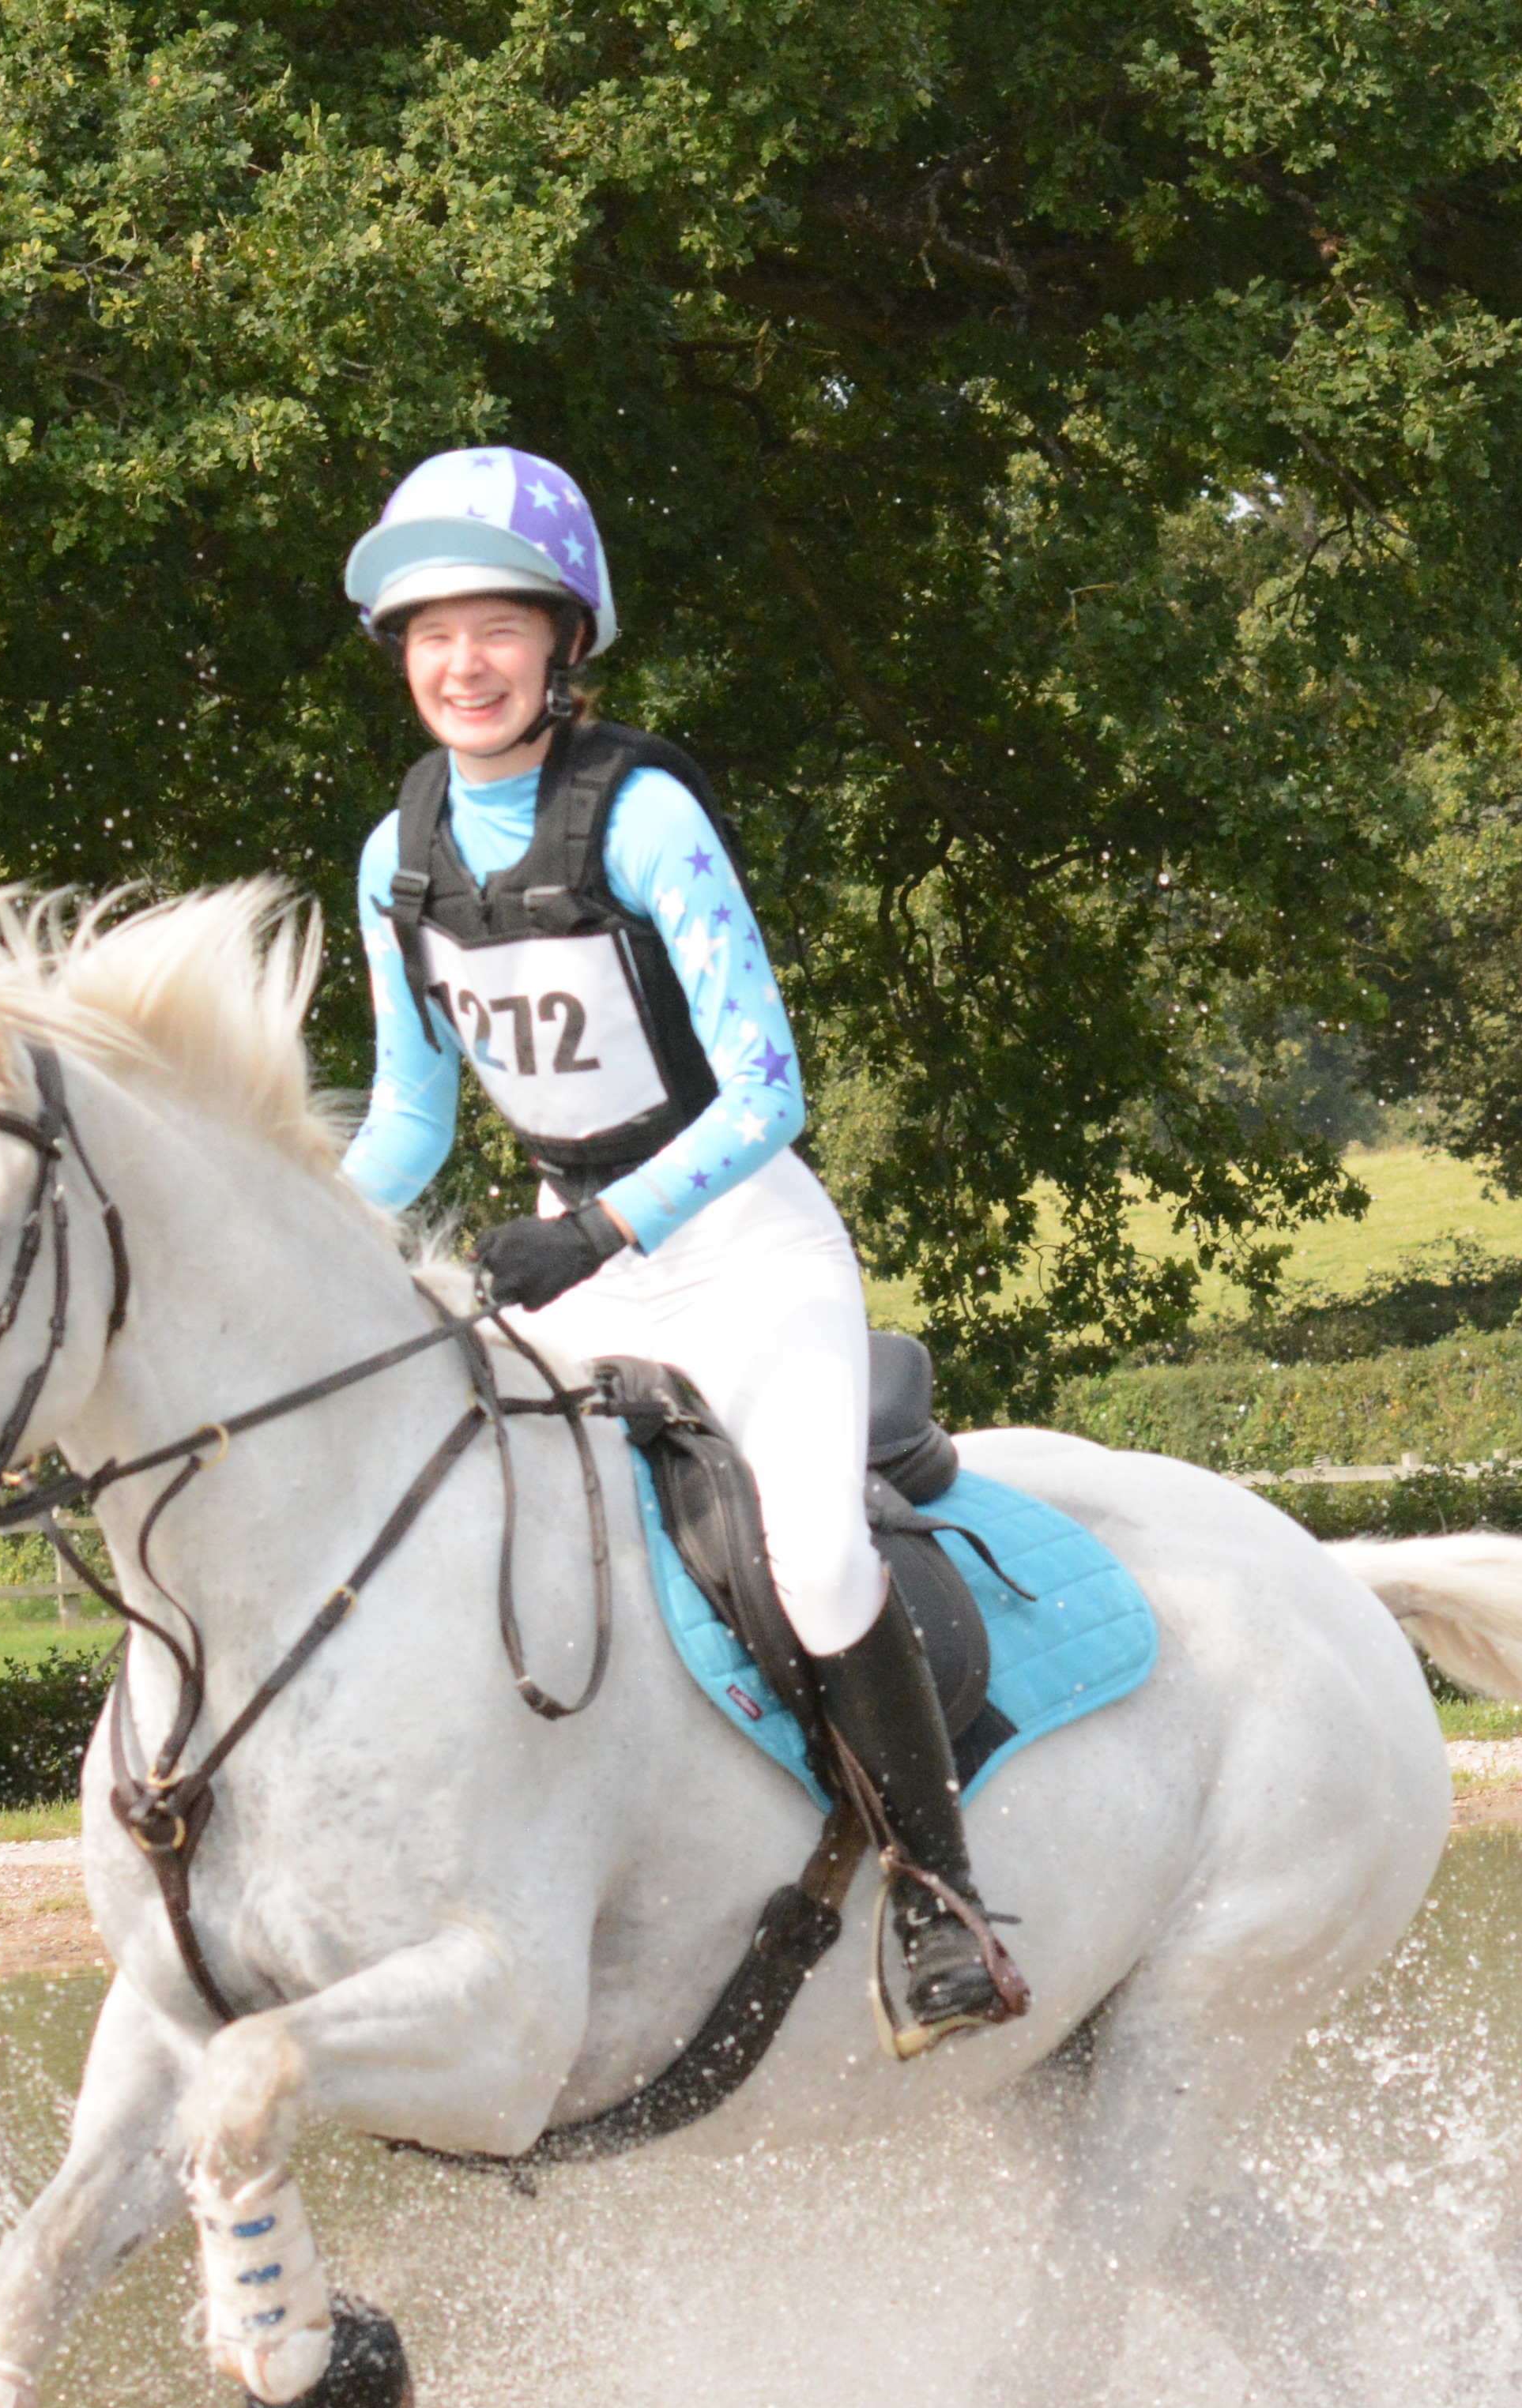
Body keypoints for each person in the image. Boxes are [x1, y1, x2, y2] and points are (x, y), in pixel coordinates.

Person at [336, 446, 1021, 2049]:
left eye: (498, 626)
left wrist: (602, 1227)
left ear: (566, 641)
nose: (464, 662)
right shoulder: (399, 855)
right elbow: (410, 1127)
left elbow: (769, 1086)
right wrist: (305, 1235)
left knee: (812, 1555)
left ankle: (941, 1893)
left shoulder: (638, 812)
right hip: (578, 1266)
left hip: (737, 1243)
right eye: (432, 632)